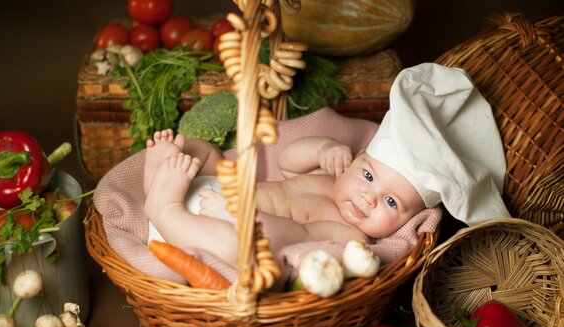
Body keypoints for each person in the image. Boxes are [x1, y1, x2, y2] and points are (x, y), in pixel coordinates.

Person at [143, 63, 511, 266]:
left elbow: (296, 237)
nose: (368, 197)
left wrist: (245, 221)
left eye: (391, 203)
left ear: (405, 221)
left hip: (215, 230)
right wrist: (322, 149)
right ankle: (161, 168)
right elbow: (286, 161)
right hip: (207, 191)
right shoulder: (328, 178)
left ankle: (161, 207)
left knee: (236, 248)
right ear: (355, 162)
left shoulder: (353, 236)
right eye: (368, 175)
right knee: (206, 152)